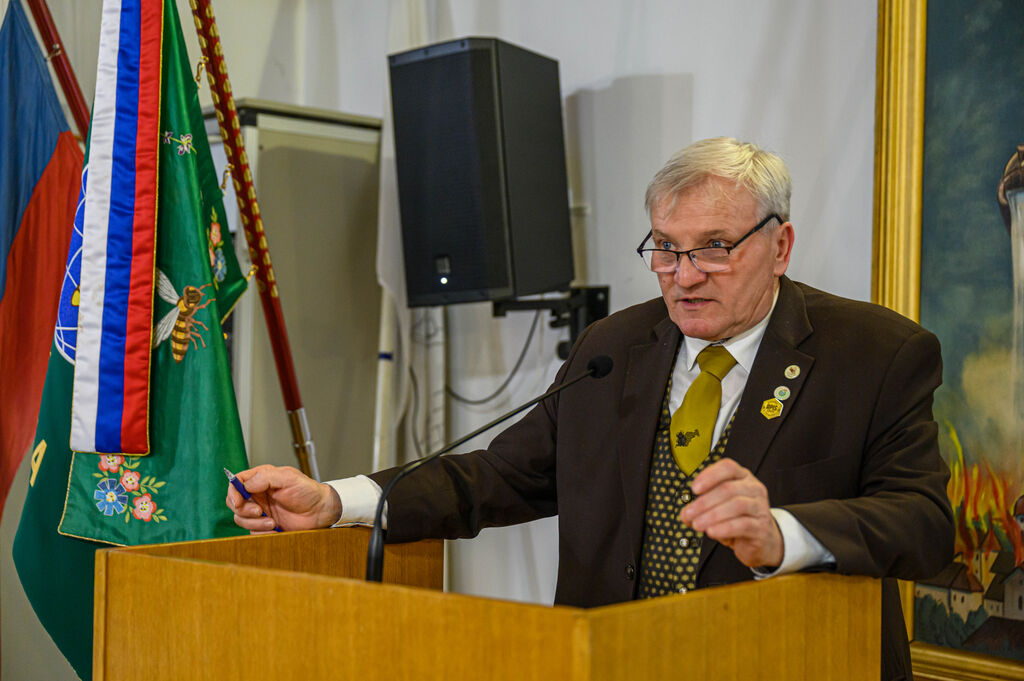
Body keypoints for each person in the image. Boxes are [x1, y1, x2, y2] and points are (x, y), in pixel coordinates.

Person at [228, 137, 953, 681]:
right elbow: (499, 477)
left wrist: (784, 534)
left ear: (781, 245)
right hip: (613, 662)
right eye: (665, 249)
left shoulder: (876, 353)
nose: (683, 276)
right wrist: (337, 501)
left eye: (714, 248)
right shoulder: (614, 347)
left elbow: (923, 524)